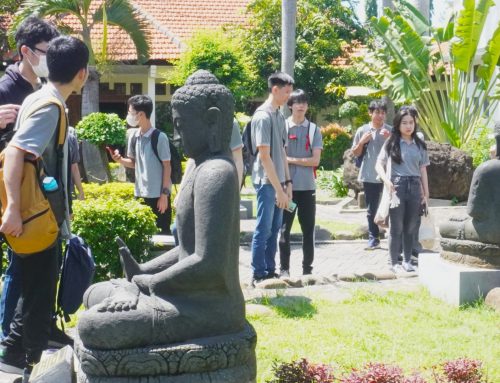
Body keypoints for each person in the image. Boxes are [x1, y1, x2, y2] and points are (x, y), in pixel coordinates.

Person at [77, 69, 245, 350]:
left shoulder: (217, 173)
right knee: (94, 293)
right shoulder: (200, 168)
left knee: (92, 325)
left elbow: (209, 264)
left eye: (181, 125)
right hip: (186, 295)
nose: (176, 135)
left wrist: (147, 283)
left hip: (211, 307)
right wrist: (142, 270)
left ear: (212, 120)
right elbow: (185, 251)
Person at [0, 35, 89, 378]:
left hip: (36, 214)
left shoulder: (40, 99)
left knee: (34, 286)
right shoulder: (50, 106)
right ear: (82, 73)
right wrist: (13, 211)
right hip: (34, 216)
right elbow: (16, 153)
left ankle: (18, 351)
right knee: (39, 289)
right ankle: (25, 357)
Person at [0, 17, 60, 344]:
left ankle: (24, 335)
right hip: (9, 196)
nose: (51, 59)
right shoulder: (5, 88)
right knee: (17, 266)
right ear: (25, 52)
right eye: (46, 52)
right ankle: (8, 338)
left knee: (24, 265)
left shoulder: (40, 89)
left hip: (32, 193)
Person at [250, 72, 293, 286]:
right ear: (275, 90)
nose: (289, 97)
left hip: (278, 184)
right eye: (286, 92)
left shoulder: (280, 116)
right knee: (264, 227)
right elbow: (265, 157)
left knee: (275, 227)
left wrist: (288, 184)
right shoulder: (262, 117)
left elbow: (282, 154)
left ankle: (269, 269)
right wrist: (278, 189)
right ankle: (257, 273)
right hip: (266, 183)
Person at [375, 106, 430, 273]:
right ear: (398, 124)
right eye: (404, 122)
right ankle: (394, 263)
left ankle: (407, 261)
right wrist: (386, 181)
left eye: (411, 122)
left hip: (415, 187)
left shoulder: (419, 144)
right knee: (396, 227)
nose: (408, 126)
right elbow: (378, 164)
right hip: (397, 188)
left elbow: (423, 169)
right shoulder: (392, 142)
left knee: (411, 228)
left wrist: (426, 193)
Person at [171, 118, 243, 245]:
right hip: (196, 182)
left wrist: (235, 193)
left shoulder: (229, 122)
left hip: (217, 184)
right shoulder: (196, 119)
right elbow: (192, 159)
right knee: (177, 228)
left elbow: (237, 159)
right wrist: (182, 190)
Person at [110, 95, 172, 235]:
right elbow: (134, 163)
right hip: (139, 194)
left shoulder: (159, 137)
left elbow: (167, 167)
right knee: (142, 236)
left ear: (141, 114)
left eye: (131, 112)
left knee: (161, 237)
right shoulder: (133, 136)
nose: (129, 115)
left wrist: (164, 195)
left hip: (158, 197)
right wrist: (119, 160)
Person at [278, 89, 322, 277]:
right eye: (297, 102)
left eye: (304, 102)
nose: (301, 105)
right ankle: (284, 269)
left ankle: (307, 270)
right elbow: (279, 157)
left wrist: (290, 159)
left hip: (307, 189)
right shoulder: (283, 128)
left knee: (308, 230)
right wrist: (291, 160)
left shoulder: (314, 130)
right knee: (284, 230)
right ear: (290, 105)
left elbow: (315, 161)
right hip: (288, 190)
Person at [351, 100, 391, 250]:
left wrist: (390, 138)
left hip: (389, 175)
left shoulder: (391, 131)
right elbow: (355, 153)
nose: (380, 116)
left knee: (392, 206)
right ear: (370, 113)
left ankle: (392, 235)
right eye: (377, 112)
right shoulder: (363, 130)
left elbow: (399, 151)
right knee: (371, 209)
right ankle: (373, 237)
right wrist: (361, 142)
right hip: (369, 174)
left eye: (383, 113)